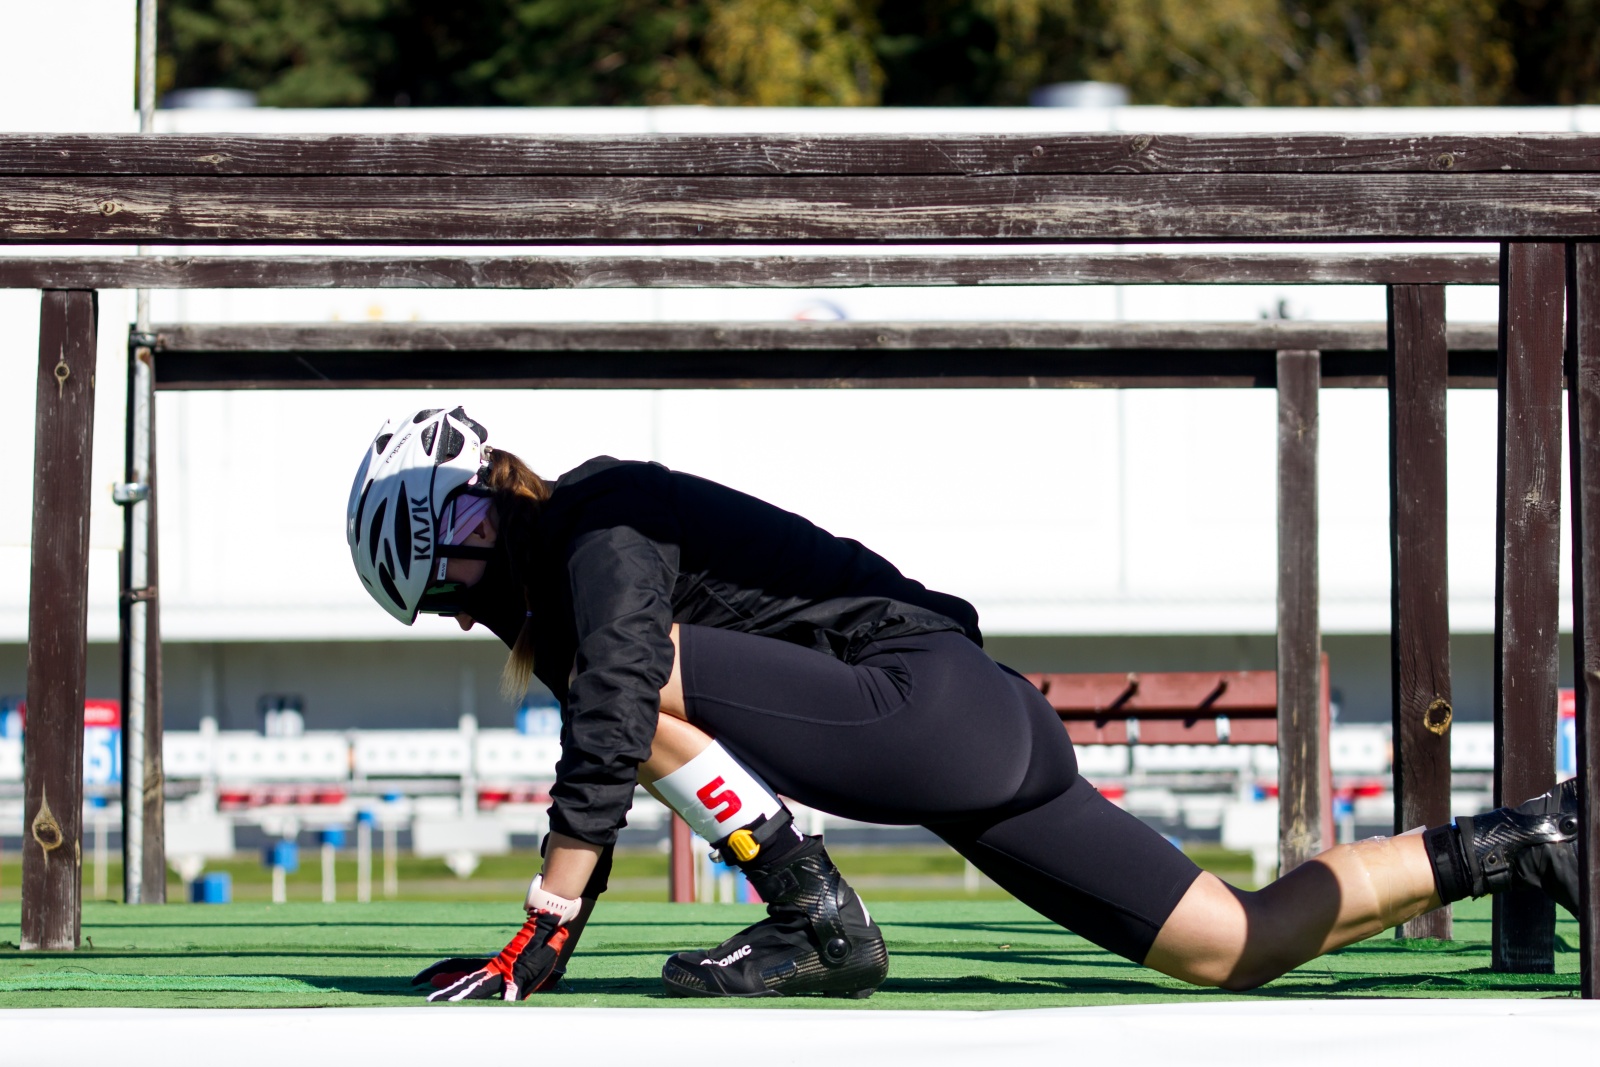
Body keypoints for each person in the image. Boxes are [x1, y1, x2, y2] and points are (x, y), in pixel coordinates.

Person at [348, 405, 1582, 1002]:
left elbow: (619, 702)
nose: (460, 612)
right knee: (1233, 944)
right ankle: (1528, 837)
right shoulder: (572, 563)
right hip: (976, 728)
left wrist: (542, 931)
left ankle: (814, 918)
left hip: (922, 700)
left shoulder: (596, 515)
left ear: (465, 513)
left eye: (445, 584)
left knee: (612, 679)